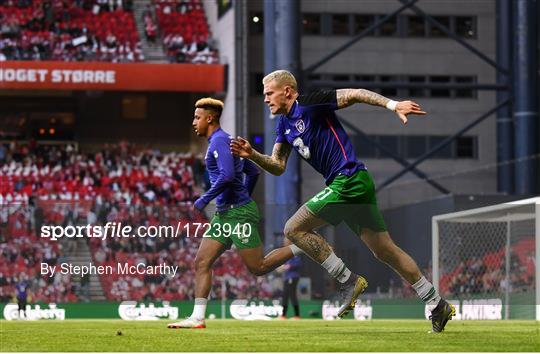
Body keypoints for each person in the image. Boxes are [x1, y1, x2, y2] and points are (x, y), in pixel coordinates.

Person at [230, 70, 455, 333]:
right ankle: (435, 302)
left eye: (269, 93)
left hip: (348, 179)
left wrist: (393, 105)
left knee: (293, 229)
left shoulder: (311, 103)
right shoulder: (283, 125)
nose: (266, 99)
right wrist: (252, 154)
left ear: (287, 91)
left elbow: (356, 94)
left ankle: (348, 280)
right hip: (350, 184)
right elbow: (278, 165)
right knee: (384, 251)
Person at [168, 97, 303, 329]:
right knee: (202, 261)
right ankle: (197, 318)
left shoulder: (220, 141)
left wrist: (205, 198)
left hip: (237, 213)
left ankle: (302, 245)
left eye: (197, 118)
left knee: (258, 267)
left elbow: (228, 176)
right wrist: (242, 198)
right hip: (226, 213)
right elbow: (252, 172)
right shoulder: (225, 141)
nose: (194, 122)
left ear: (209, 118)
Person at [279, 239, 302, 320]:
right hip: (287, 277)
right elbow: (285, 265)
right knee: (285, 295)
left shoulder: (294, 251)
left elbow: (298, 263)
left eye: (285, 241)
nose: (284, 242)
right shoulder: (287, 252)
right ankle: (284, 315)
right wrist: (282, 267)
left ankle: (296, 315)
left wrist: (288, 266)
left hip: (292, 277)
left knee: (292, 295)